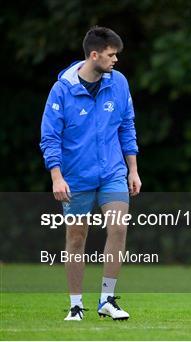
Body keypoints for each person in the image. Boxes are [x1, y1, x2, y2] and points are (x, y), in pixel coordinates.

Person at [40, 26, 141, 321]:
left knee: (119, 227)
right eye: (111, 55)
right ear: (94, 54)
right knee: (76, 238)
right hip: (75, 177)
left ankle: (107, 300)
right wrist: (56, 176)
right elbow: (50, 137)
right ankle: (75, 305)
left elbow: (127, 126)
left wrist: (133, 170)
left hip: (112, 172)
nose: (116, 60)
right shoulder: (61, 90)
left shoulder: (119, 83)